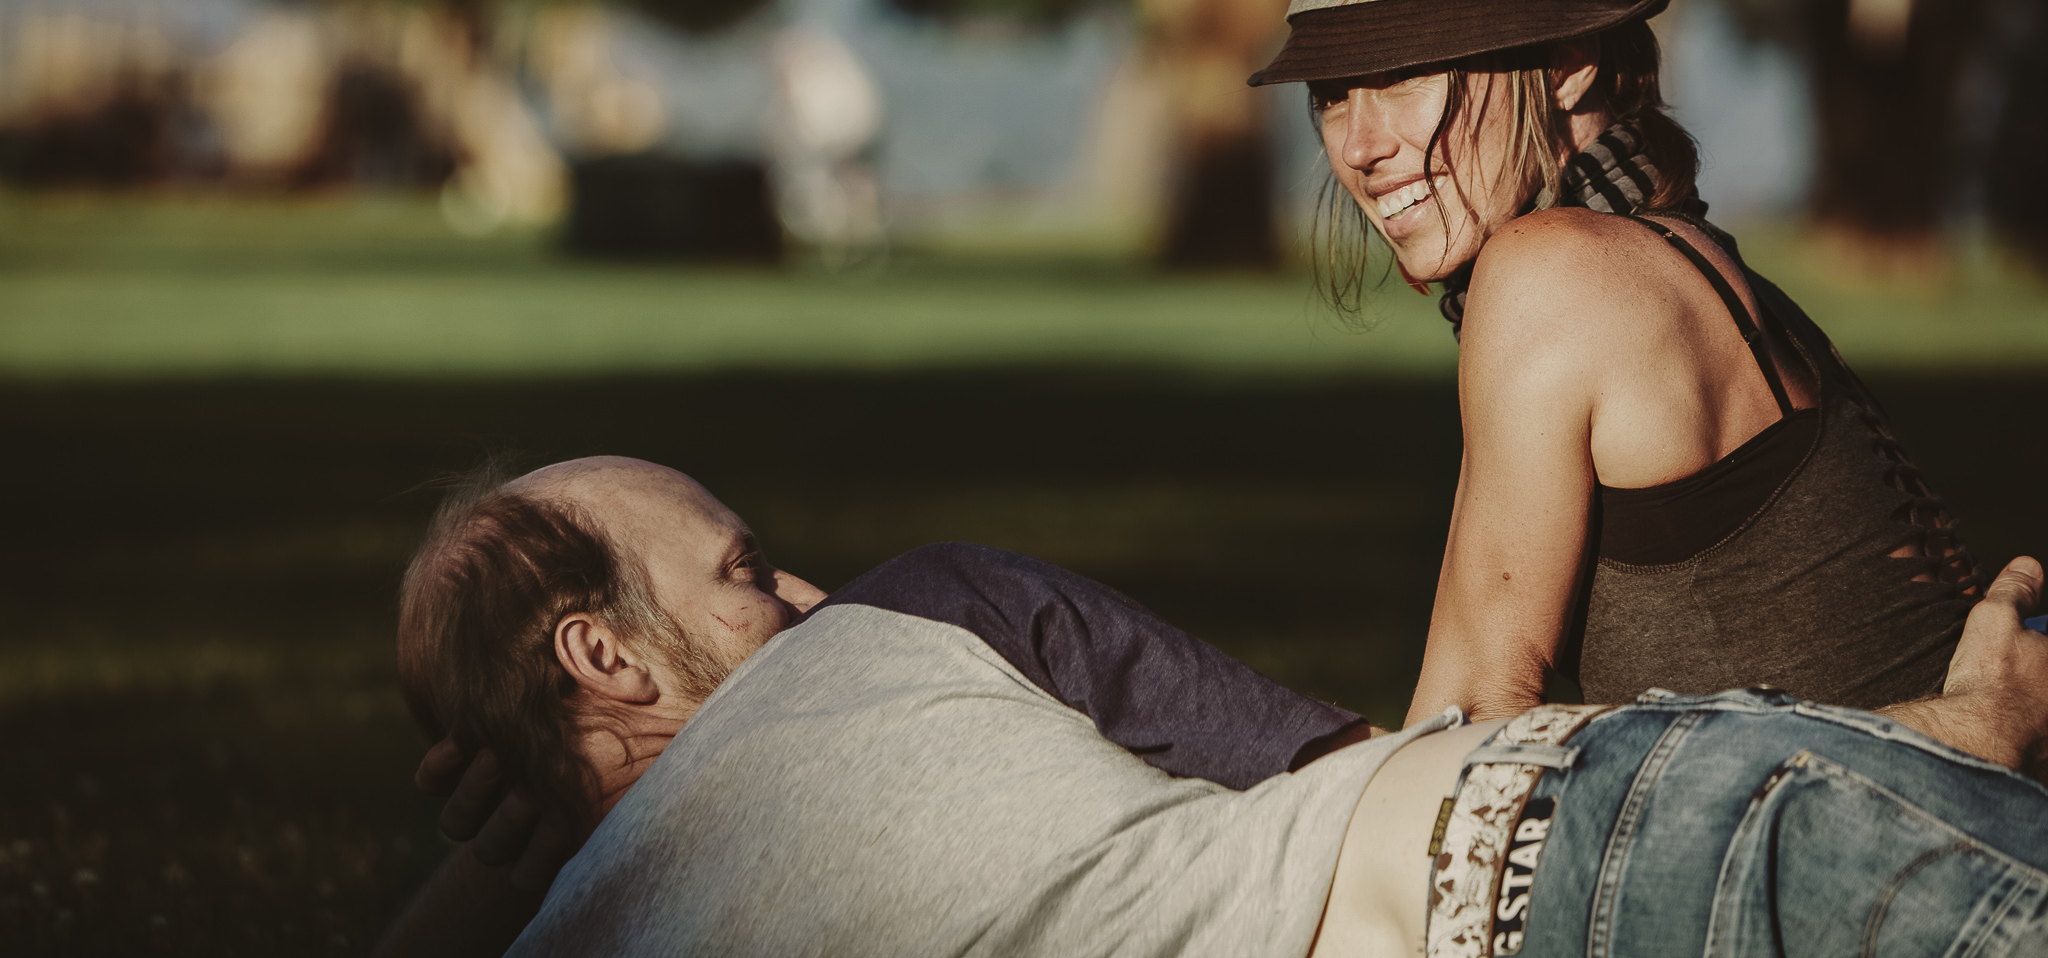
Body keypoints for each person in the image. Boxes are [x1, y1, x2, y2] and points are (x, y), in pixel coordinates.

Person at [379, 455, 2048, 958]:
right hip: (1573, 846)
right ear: (605, 656)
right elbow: (1357, 765)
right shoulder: (910, 609)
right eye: (745, 570)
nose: (806, 596)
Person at [1245, 0, 1981, 724]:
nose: (1355, 146)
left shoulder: (1553, 272)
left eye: (1398, 75)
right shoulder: (1682, 256)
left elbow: (1468, 720)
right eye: (1330, 94)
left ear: (1567, 61)